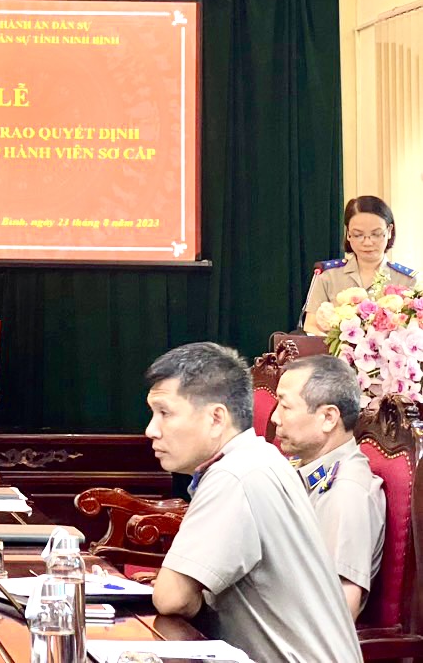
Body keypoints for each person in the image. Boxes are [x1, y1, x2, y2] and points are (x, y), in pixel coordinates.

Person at [145, 341, 360, 663]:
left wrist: (193, 596)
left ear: (216, 418)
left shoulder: (234, 474)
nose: (151, 430)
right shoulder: (259, 457)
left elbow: (172, 597)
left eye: (164, 413)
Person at [271, 355, 385, 619]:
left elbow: (338, 612)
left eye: (285, 406)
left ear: (328, 418)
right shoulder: (307, 467)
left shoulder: (345, 492)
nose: (275, 417)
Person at [303, 195, 417, 333]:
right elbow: (310, 326)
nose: (367, 242)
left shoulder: (409, 281)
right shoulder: (327, 275)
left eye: (376, 234)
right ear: (348, 234)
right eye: (358, 235)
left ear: (389, 231)